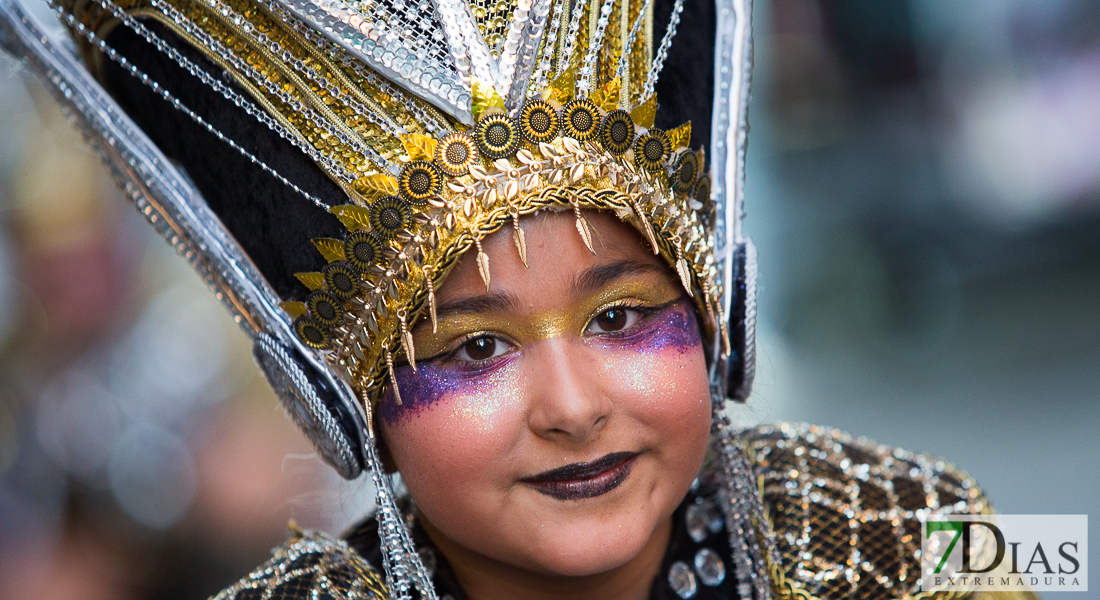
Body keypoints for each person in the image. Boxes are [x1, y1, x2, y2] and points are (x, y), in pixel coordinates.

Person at [0, 0, 1039, 597]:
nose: (572, 406)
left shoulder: (902, 518)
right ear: (353, 405)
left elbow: (1044, 549)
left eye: (620, 318)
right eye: (473, 351)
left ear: (716, 322)